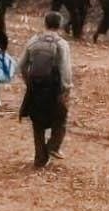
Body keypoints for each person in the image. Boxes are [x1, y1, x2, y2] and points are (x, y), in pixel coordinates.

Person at [17, 12, 72, 168]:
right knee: (60, 117)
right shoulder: (61, 44)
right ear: (59, 25)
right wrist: (66, 89)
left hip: (35, 88)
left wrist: (29, 82)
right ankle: (53, 146)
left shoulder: (33, 41)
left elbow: (21, 65)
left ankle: (40, 158)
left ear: (45, 23)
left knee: (37, 122)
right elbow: (65, 70)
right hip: (54, 89)